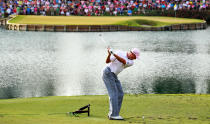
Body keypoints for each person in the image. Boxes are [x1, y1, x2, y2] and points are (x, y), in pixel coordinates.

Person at [102, 47, 140, 120]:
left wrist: (114, 54)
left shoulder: (131, 62)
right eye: (134, 56)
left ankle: (113, 113)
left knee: (120, 94)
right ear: (131, 53)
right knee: (113, 93)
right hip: (107, 72)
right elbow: (107, 61)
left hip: (114, 75)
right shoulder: (119, 52)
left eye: (136, 57)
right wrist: (109, 54)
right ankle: (114, 115)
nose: (135, 58)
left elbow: (123, 61)